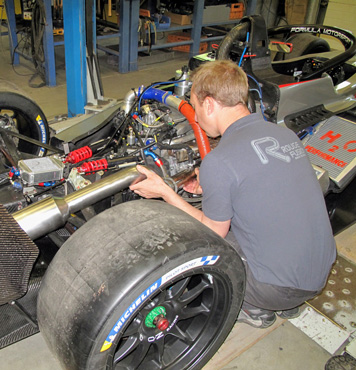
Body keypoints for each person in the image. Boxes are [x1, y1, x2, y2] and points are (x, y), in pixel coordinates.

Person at [130, 60, 336, 328]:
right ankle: (287, 304)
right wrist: (214, 186)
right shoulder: (283, 135)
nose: (195, 116)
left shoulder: (220, 161)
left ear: (210, 104)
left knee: (196, 241)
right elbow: (263, 185)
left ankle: (253, 307)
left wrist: (165, 192)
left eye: (194, 106)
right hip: (319, 271)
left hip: (277, 289)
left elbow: (212, 231)